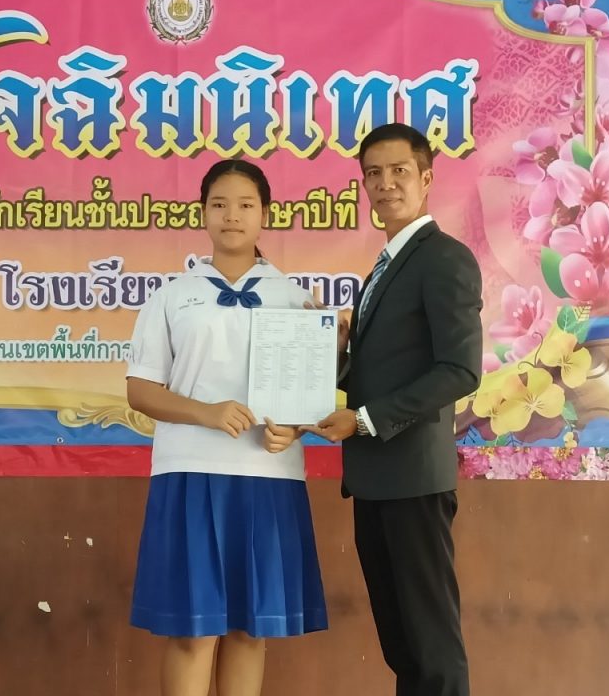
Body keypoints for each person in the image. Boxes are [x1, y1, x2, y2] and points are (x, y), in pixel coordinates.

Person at [127, 159, 328, 696]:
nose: (231, 215)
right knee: (192, 632)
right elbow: (140, 391)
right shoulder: (172, 296)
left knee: (249, 630)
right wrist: (208, 412)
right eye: (219, 204)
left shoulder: (295, 298)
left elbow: (305, 399)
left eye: (245, 205)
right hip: (190, 475)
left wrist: (294, 429)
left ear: (266, 214)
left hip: (269, 477)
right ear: (203, 213)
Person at [305, 123, 483, 696]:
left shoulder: (444, 259)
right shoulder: (384, 267)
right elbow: (380, 372)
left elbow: (460, 371)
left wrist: (363, 421)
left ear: (427, 179)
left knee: (431, 648)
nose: (385, 184)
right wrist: (338, 354)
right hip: (376, 479)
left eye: (399, 171)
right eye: (373, 174)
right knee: (403, 647)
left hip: (412, 480)